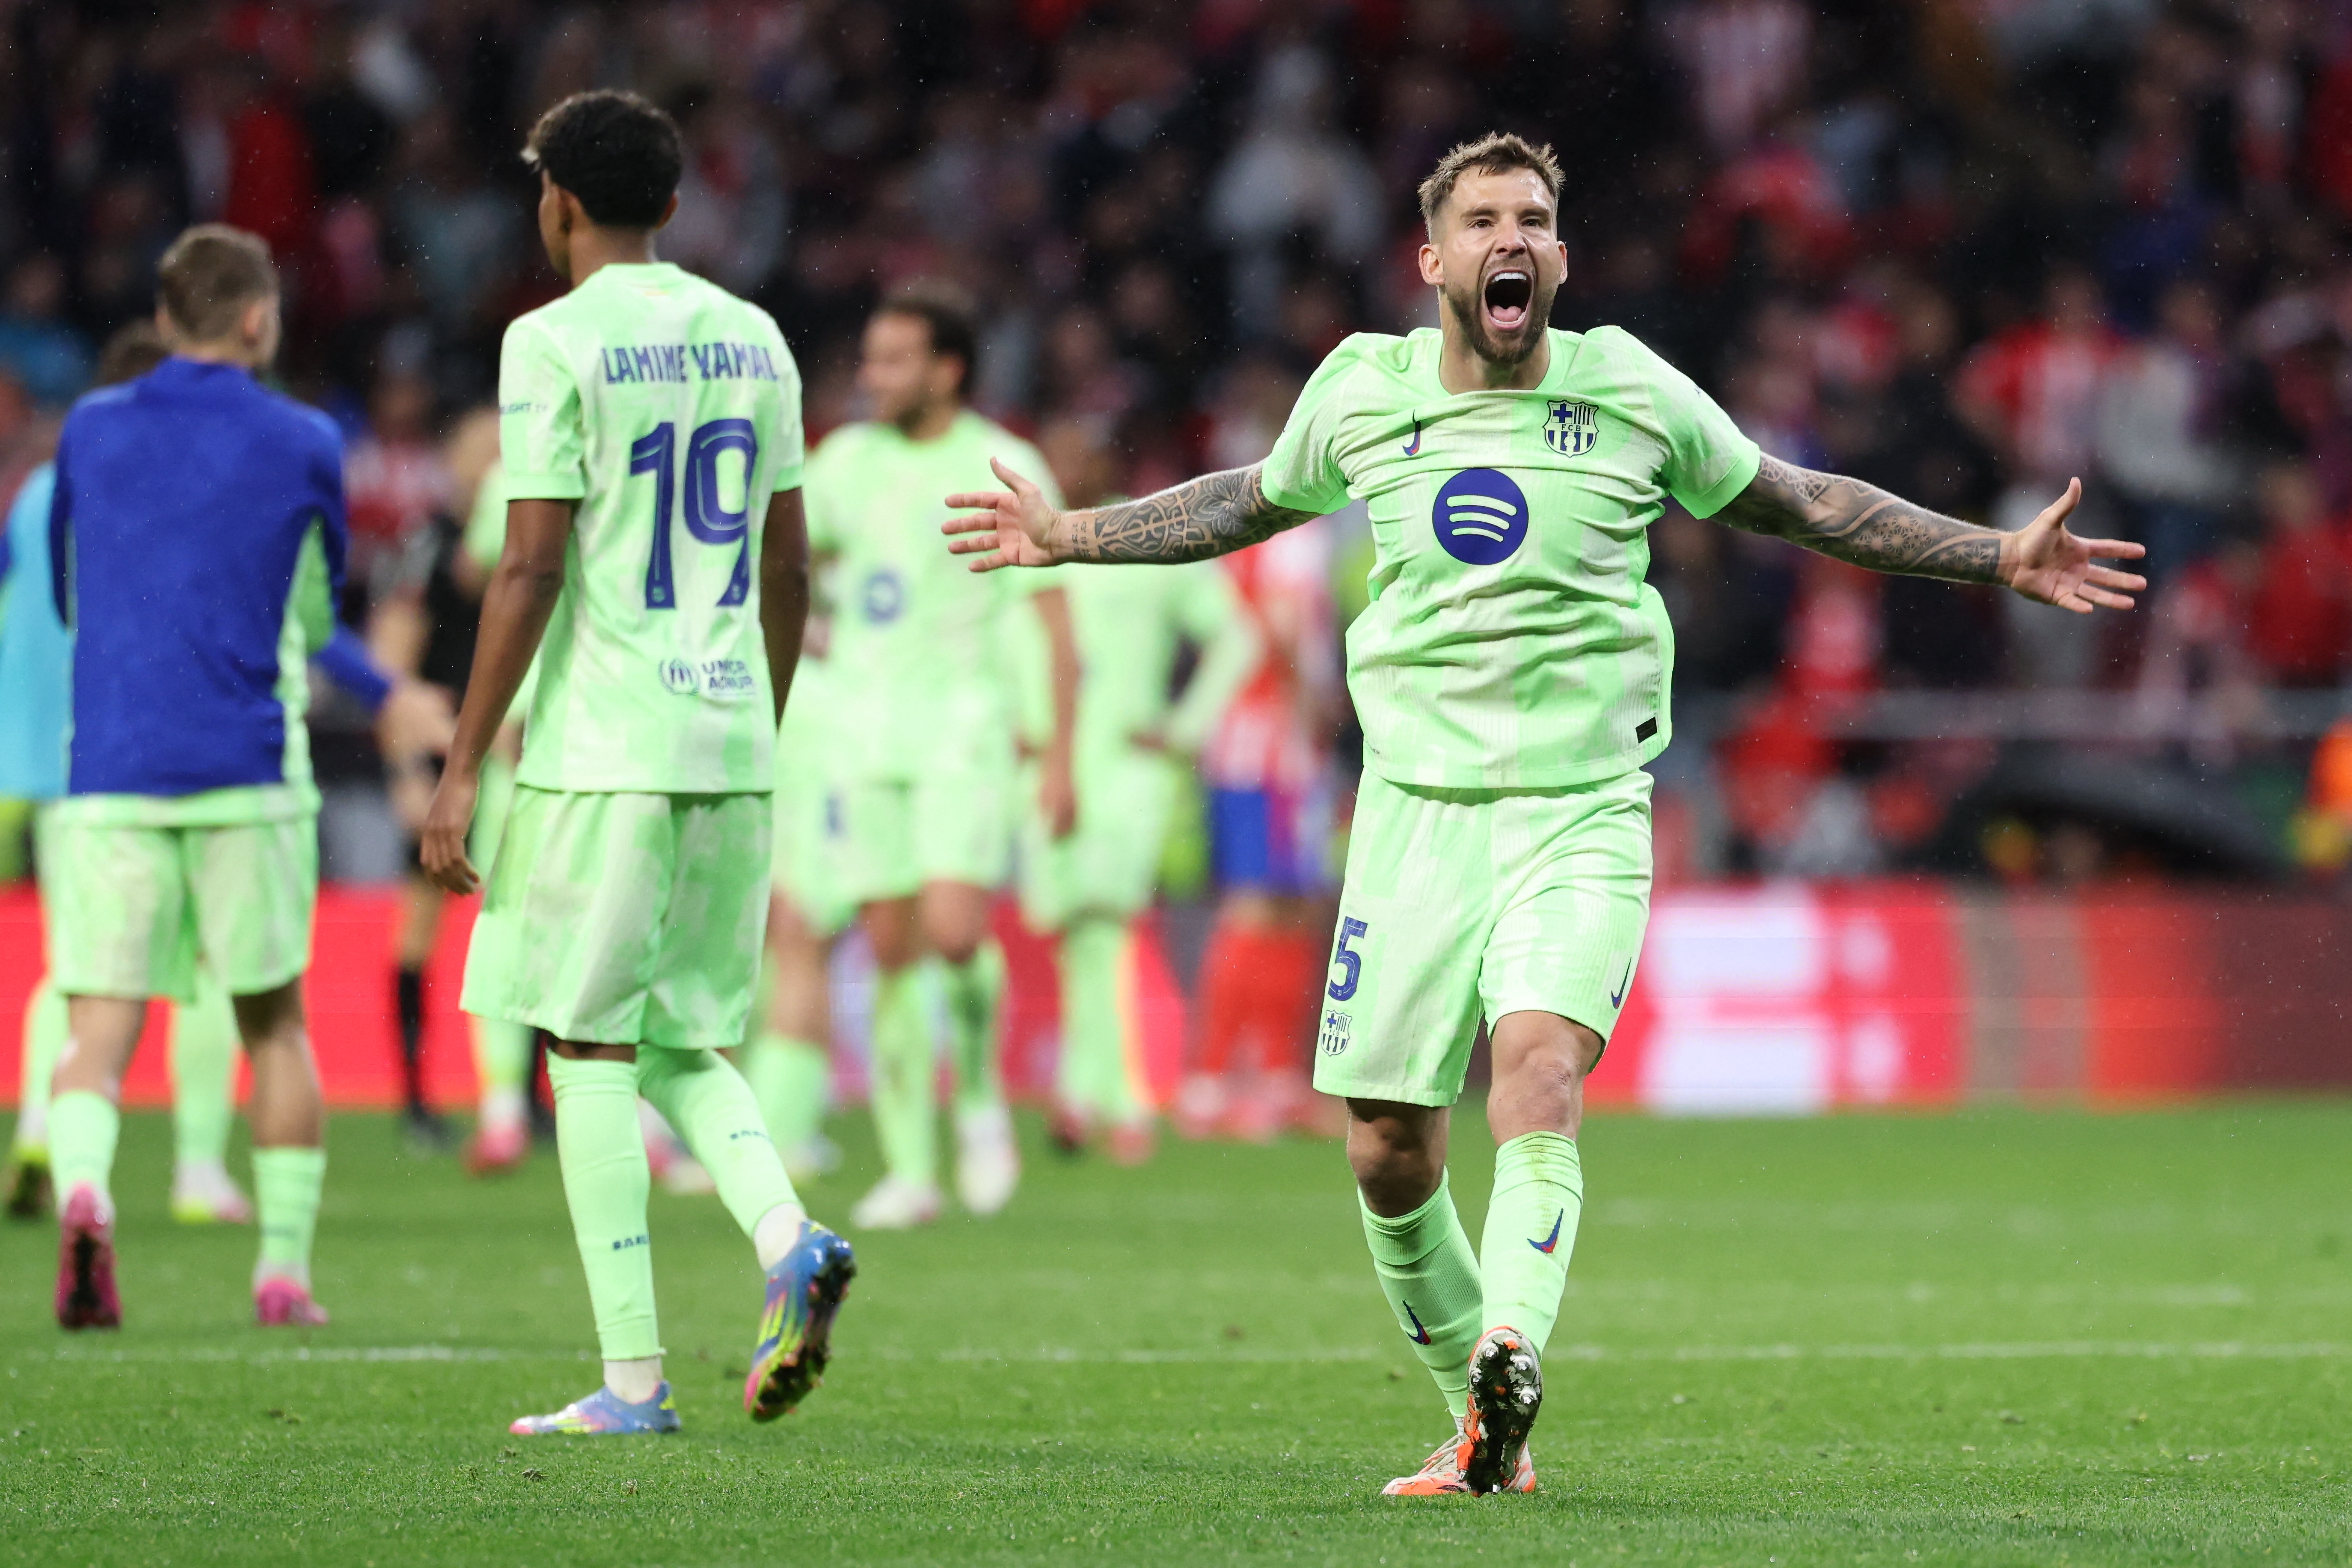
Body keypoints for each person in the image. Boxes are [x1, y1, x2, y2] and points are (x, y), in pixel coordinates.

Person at [945, 133, 2146, 1497]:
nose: (1509, 238)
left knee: (1538, 1074)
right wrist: (1070, 534)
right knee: (1389, 1147)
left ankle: (1509, 1352)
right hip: (1413, 814)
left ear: (1559, 259)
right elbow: (1247, 502)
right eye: (1482, 220)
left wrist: (1995, 553)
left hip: (1581, 807)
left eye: (1533, 220)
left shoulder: (1631, 386)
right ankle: (1479, 1414)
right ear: (1435, 260)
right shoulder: (1362, 390)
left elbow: (1806, 502)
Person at [418, 89, 851, 1437]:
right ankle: (786, 1239)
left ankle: (632, 1384)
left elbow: (533, 560)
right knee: (679, 1034)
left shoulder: (548, 342)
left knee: (588, 1040)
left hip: (605, 743)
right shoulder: (756, 336)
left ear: (554, 201)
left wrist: (462, 758)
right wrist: (758, 715)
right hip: (727, 733)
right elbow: (789, 562)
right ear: (672, 206)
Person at [43, 226, 449, 1330]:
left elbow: (69, 591)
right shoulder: (306, 438)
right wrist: (384, 689)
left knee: (99, 1033)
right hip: (246, 769)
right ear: (260, 319)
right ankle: (281, 1275)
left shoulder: (89, 426)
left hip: (114, 768)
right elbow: (315, 615)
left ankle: (85, 1193)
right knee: (274, 1023)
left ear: (166, 319)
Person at [802, 284, 1081, 1230]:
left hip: (964, 728)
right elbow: (798, 565)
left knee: (957, 934)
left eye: (893, 360)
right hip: (863, 732)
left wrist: (1060, 755)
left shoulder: (1001, 461)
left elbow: (1053, 619)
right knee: (888, 949)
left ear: (947, 369)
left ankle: (982, 1109)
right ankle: (912, 1167)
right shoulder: (845, 461)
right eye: (870, 358)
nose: (872, 376)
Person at [1020, 419, 1259, 1162]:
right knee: (1075, 933)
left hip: (1127, 765)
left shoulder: (1144, 538)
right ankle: (1087, 1095)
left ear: (1103, 458)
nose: (1067, 465)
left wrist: (1184, 729)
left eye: (1077, 451)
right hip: (1046, 764)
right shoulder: (1032, 551)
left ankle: (1115, 1101)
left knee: (1107, 925)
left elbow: (1239, 636)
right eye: (1055, 454)